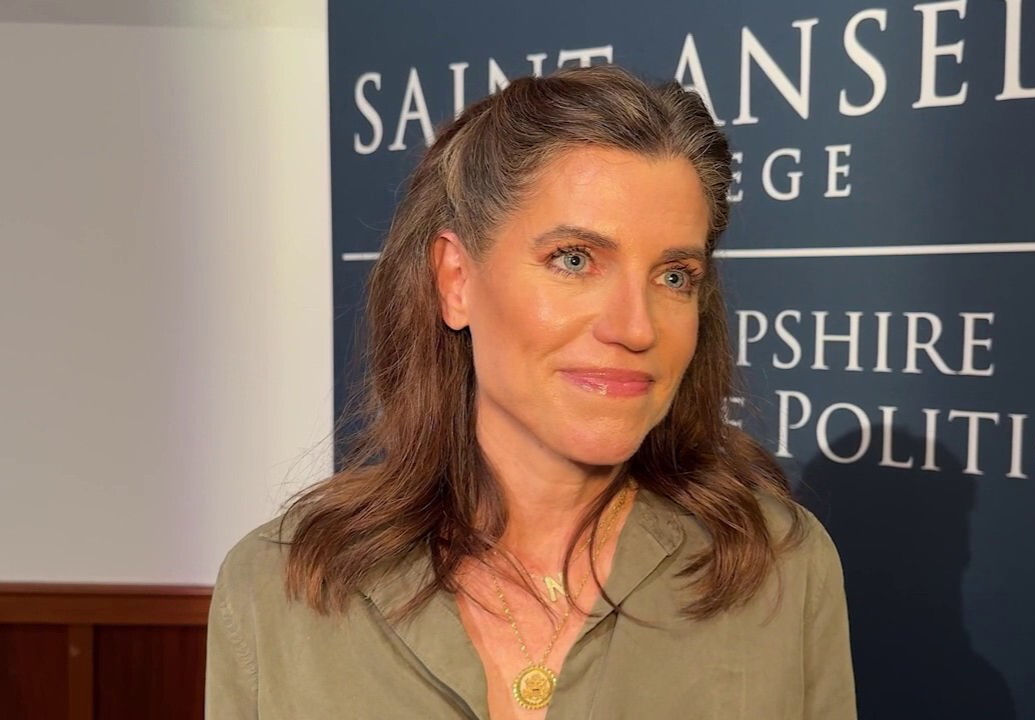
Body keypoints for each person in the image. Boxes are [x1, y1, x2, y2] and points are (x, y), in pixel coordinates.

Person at [205, 63, 858, 719]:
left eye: (673, 276)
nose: (634, 327)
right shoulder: (282, 589)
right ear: (455, 279)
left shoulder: (776, 566)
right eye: (573, 259)